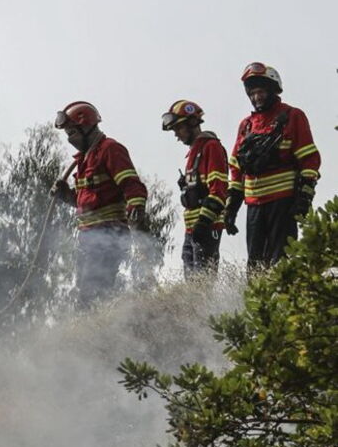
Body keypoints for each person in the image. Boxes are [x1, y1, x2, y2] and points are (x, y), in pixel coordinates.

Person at [225, 62, 321, 268]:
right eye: (252, 93)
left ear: (272, 90)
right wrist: (232, 206)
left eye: (261, 91)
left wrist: (304, 196)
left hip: (283, 202)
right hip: (253, 205)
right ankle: (257, 300)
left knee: (281, 262)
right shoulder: (246, 126)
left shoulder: (292, 116)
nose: (257, 97)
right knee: (255, 264)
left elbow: (309, 159)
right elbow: (236, 168)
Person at [52, 101, 148, 308]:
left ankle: (101, 332)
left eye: (72, 133)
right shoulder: (84, 159)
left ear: (86, 127)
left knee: (94, 290)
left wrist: (137, 210)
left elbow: (132, 186)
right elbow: (86, 202)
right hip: (89, 235)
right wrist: (66, 195)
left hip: (109, 233)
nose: (70, 140)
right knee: (85, 290)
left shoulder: (110, 150)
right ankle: (94, 330)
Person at [161, 100, 228, 277]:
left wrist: (204, 222)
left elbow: (219, 189)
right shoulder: (194, 151)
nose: (177, 135)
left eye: (178, 129)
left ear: (192, 123)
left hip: (206, 226)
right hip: (191, 227)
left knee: (203, 280)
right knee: (191, 282)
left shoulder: (211, 147)